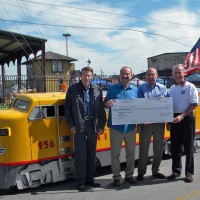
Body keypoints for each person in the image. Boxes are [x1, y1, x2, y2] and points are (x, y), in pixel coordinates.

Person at [64, 67, 106, 191]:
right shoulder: (73, 90)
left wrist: (101, 125)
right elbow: (67, 109)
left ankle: (90, 180)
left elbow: (101, 109)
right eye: (84, 75)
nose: (86, 78)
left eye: (88, 75)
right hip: (79, 125)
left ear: (92, 76)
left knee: (92, 154)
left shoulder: (97, 89)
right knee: (81, 155)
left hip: (93, 125)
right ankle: (81, 182)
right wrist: (71, 125)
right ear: (80, 76)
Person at [104, 66, 138, 187]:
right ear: (119, 75)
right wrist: (107, 104)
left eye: (127, 74)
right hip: (116, 127)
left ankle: (129, 175)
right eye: (123, 74)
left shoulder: (135, 90)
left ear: (131, 75)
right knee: (115, 154)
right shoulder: (112, 89)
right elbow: (105, 104)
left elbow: (139, 108)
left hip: (130, 127)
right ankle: (116, 177)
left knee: (131, 153)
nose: (125, 76)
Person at [167, 64, 198, 183]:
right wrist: (169, 121)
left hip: (187, 117)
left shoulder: (191, 87)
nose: (177, 75)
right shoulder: (172, 89)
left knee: (189, 146)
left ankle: (189, 173)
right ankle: (176, 171)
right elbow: (168, 106)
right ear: (172, 74)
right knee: (175, 147)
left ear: (184, 73)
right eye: (175, 73)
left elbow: (194, 104)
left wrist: (182, 116)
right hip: (174, 119)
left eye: (179, 72)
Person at [136, 68, 168, 181]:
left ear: (157, 75)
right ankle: (141, 172)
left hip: (159, 123)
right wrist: (138, 124)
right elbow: (138, 106)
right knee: (143, 148)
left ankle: (156, 170)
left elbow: (168, 105)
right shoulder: (141, 88)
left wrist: (168, 121)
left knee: (158, 148)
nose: (150, 76)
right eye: (148, 75)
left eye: (152, 74)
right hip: (145, 123)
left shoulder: (163, 88)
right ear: (146, 76)